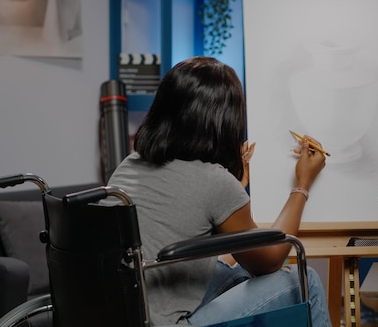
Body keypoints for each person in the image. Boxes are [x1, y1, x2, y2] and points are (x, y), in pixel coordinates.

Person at [106, 56, 331, 326]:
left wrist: (233, 190)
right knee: (305, 281)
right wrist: (302, 184)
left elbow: (183, 217)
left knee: (232, 274)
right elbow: (268, 261)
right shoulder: (213, 181)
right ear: (223, 121)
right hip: (163, 322)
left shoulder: (129, 165)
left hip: (125, 311)